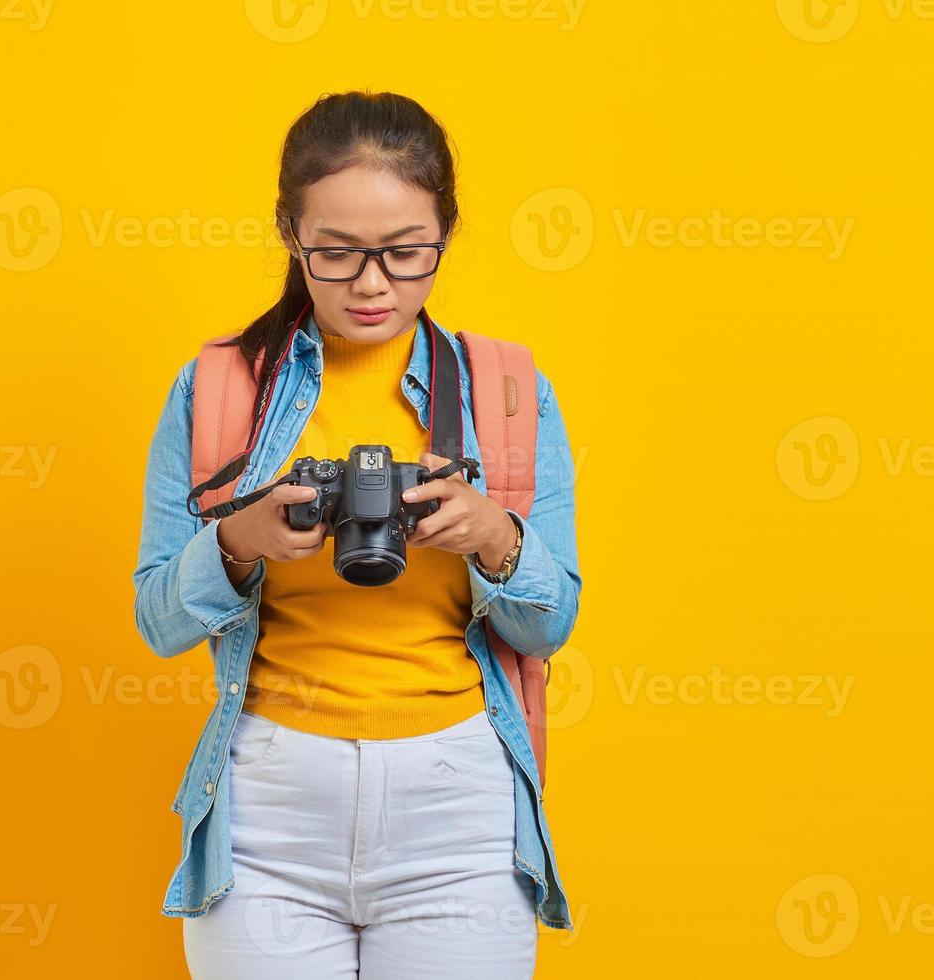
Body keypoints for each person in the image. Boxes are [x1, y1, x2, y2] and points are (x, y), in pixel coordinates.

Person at [131, 89, 580, 979]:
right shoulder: (220, 387)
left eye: (406, 252)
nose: (372, 284)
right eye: (335, 254)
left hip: (458, 804)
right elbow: (158, 619)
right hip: (267, 803)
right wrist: (239, 541)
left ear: (446, 232)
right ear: (290, 235)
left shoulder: (507, 392)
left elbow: (547, 625)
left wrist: (495, 536)